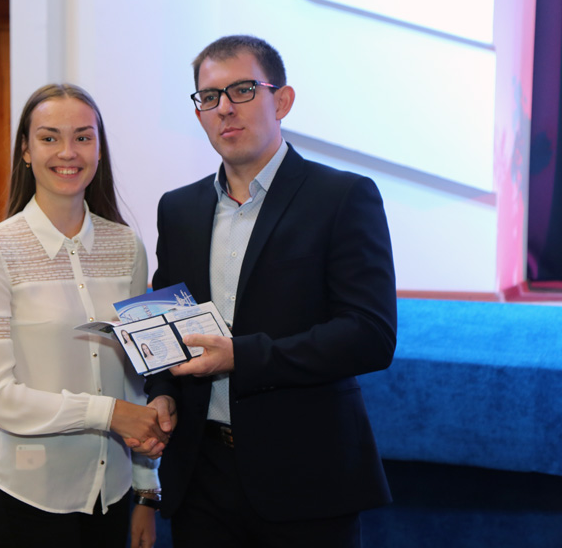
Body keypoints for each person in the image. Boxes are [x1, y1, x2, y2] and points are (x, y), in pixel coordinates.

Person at [141, 35, 398, 547]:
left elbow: (370, 336)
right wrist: (163, 391)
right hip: (201, 477)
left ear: (281, 101)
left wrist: (241, 356)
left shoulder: (343, 197)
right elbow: (168, 323)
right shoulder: (178, 208)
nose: (224, 108)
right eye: (209, 97)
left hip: (306, 477)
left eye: (242, 90)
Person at [0, 83, 165, 548]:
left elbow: (135, 379)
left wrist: (146, 490)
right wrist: (108, 413)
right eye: (49, 137)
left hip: (113, 494)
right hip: (31, 494)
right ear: (26, 150)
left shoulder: (127, 247)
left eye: (83, 137)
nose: (67, 152)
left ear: (99, 150)